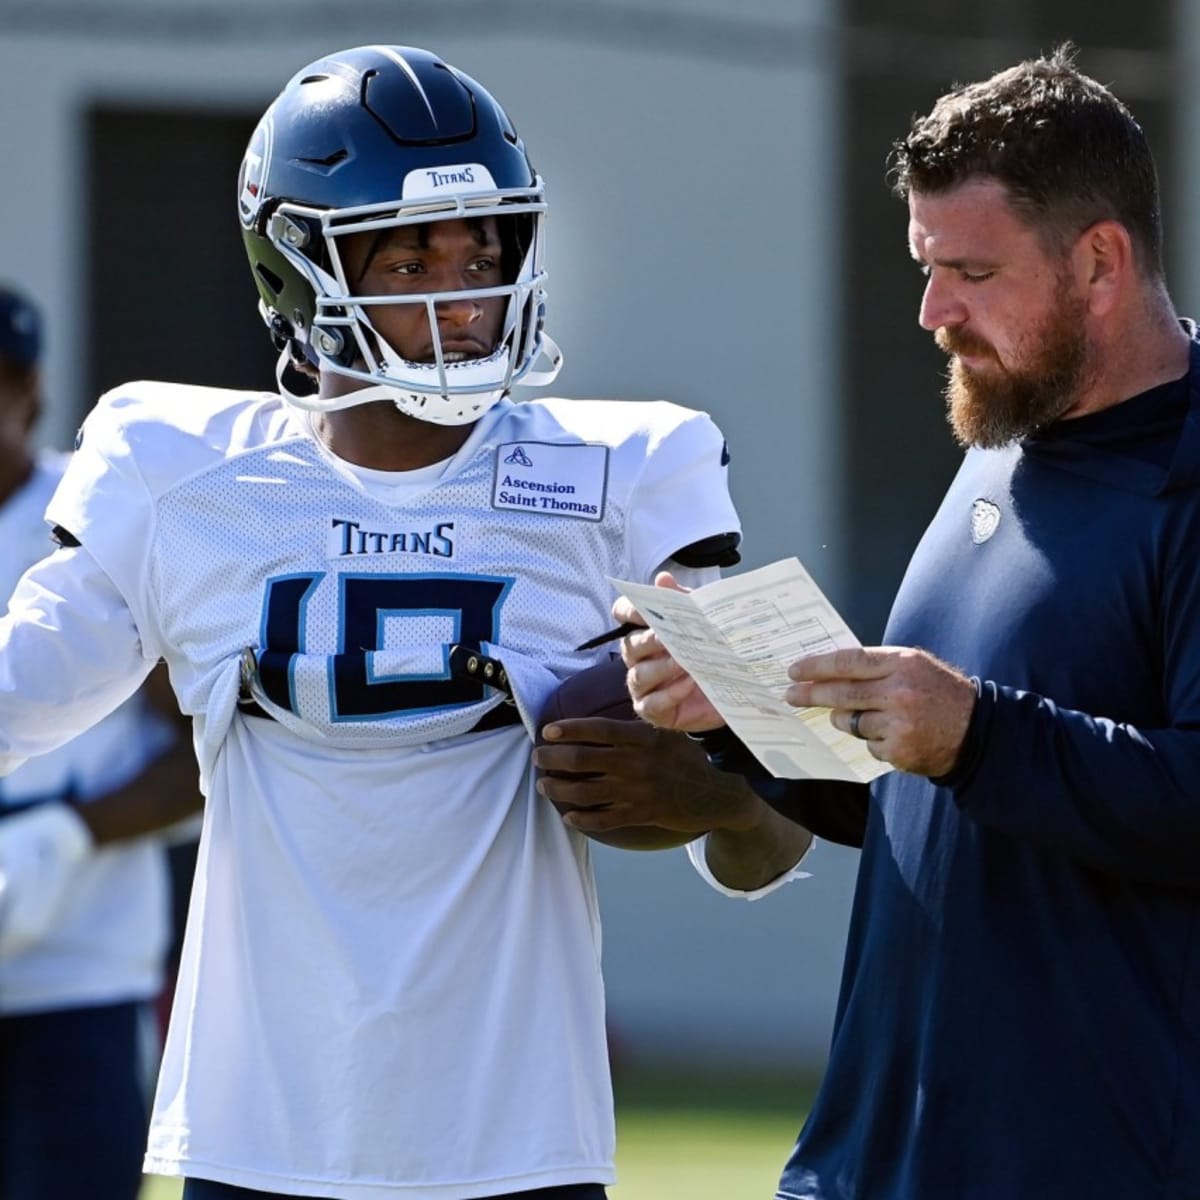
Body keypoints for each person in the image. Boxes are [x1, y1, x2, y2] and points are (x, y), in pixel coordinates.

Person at [0, 48, 809, 1200]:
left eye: (482, 248)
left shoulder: (630, 471)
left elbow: (789, 829)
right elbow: (18, 694)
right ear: (295, 268)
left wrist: (726, 801)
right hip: (259, 1132)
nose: (462, 290)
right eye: (409, 253)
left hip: (517, 1137)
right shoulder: (174, 467)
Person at [620, 46, 1200, 1198]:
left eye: (972, 272)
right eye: (926, 267)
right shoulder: (1001, 443)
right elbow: (931, 800)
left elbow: (1013, 757)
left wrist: (977, 733)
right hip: (869, 1161)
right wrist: (741, 708)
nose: (933, 312)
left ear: (1099, 263)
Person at [0, 283, 203, 1200]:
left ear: (30, 392)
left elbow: (205, 750)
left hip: (80, 975)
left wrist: (65, 834)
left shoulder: (92, 523)